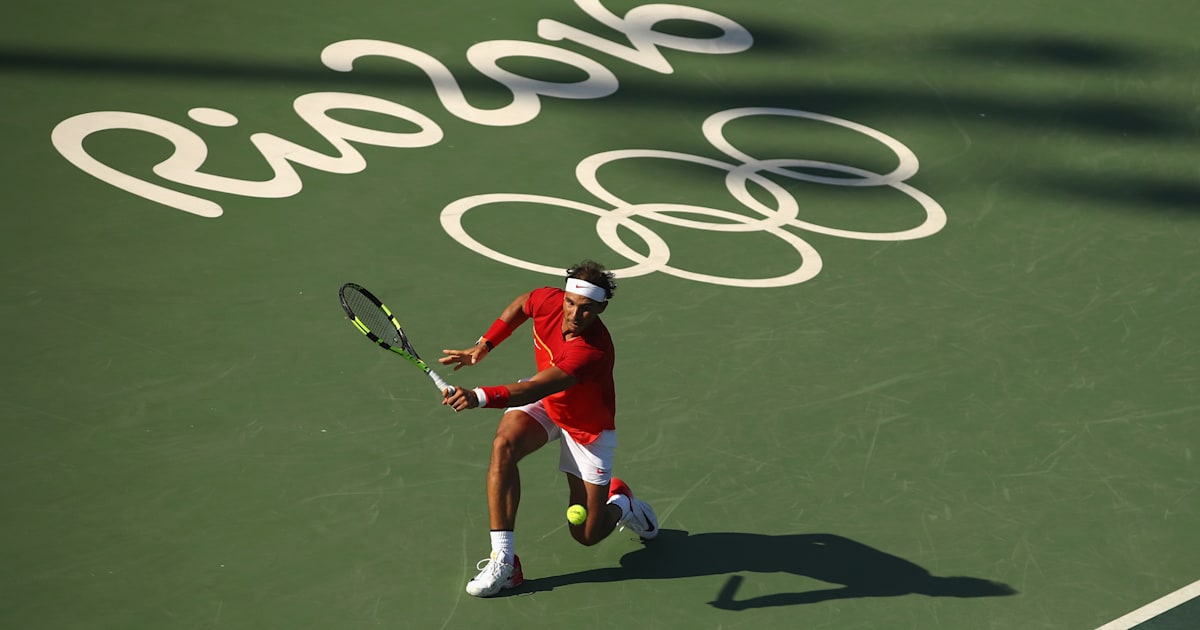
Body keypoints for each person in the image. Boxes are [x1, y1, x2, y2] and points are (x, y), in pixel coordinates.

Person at [440, 260, 659, 598]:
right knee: (504, 447)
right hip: (548, 402)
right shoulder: (549, 300)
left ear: (601, 308)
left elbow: (534, 389)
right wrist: (485, 344)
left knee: (586, 533)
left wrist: (478, 396)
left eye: (586, 309)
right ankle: (505, 562)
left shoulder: (592, 351)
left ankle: (624, 503)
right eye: (570, 302)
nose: (573, 314)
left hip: (586, 429)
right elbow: (523, 303)